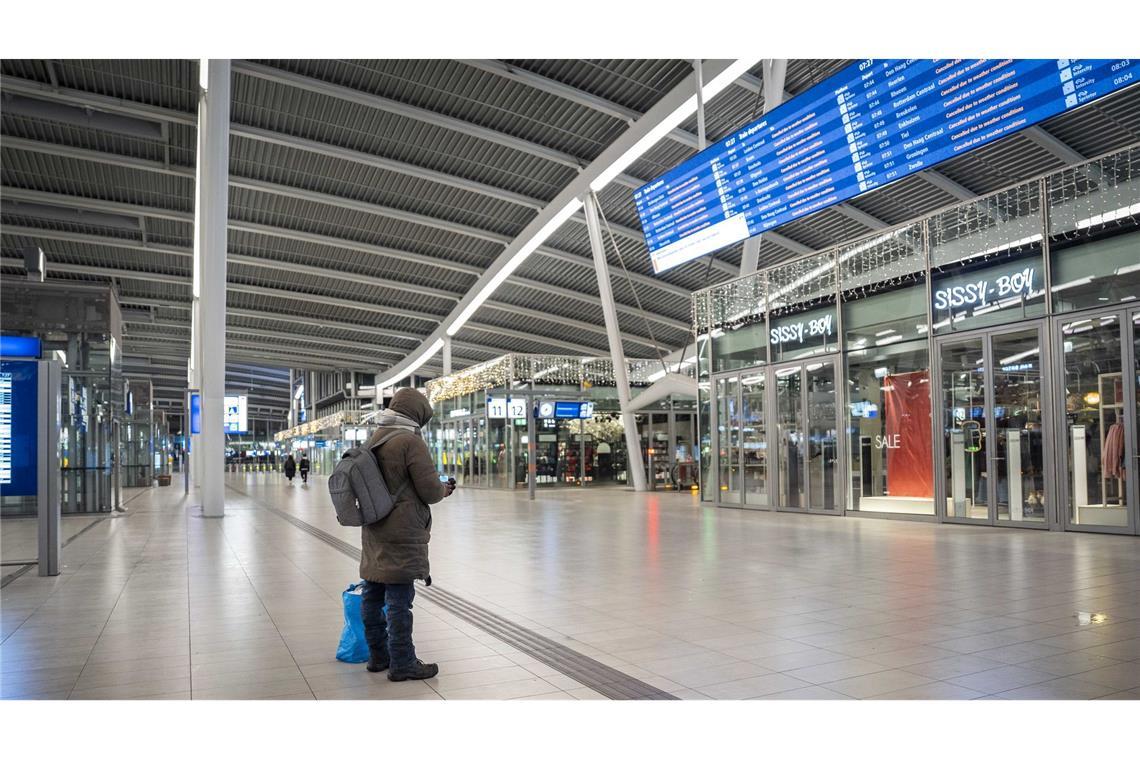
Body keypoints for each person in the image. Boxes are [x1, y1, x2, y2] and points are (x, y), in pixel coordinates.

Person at [359, 387, 455, 681]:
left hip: (374, 527)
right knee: (400, 600)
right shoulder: (410, 441)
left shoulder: (375, 437)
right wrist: (444, 488)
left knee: (373, 593)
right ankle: (402, 662)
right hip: (402, 531)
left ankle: (378, 656)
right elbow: (429, 490)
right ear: (416, 414)